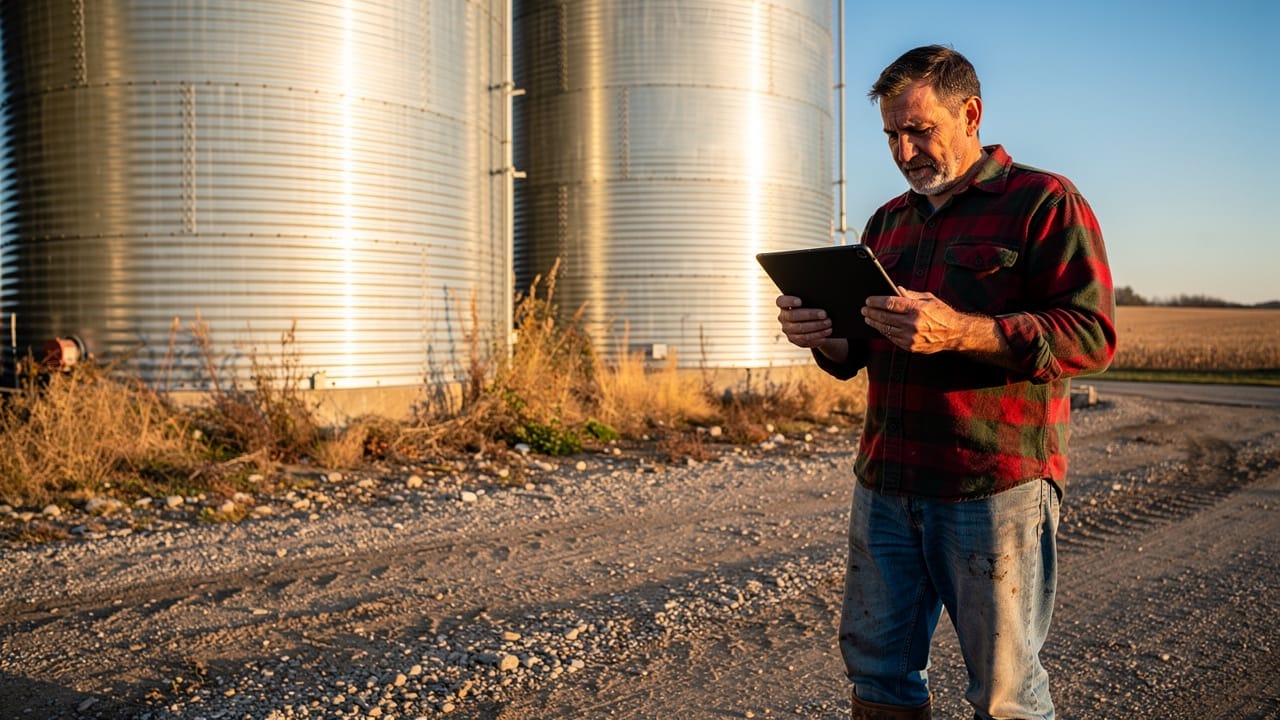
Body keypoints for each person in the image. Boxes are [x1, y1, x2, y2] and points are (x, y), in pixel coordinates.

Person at [776, 45, 1116, 720]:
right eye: (891, 136)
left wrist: (963, 330)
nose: (904, 150)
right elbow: (863, 351)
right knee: (878, 677)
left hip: (991, 488)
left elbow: (1091, 337)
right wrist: (823, 335)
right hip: (886, 486)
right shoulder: (887, 223)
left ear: (970, 114)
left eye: (919, 130)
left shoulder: (1044, 202)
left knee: (1004, 696)